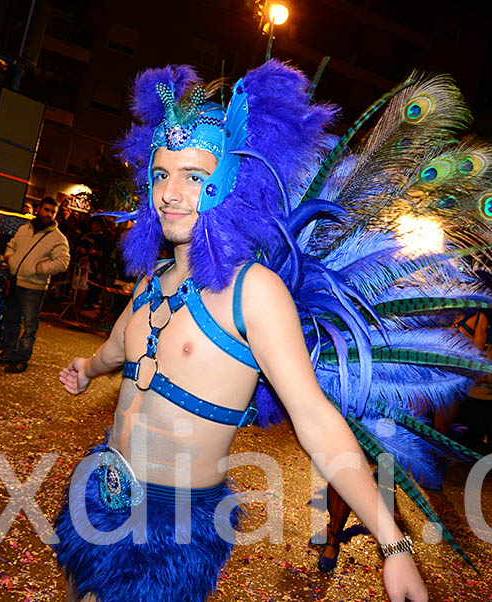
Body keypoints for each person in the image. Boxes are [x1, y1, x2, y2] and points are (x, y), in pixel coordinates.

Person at [52, 62, 426, 602]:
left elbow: (315, 418)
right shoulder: (150, 284)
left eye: (194, 176)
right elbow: (116, 350)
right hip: (98, 493)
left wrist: (393, 544)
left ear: (229, 184)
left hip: (172, 531)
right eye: (161, 175)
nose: (170, 193)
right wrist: (86, 370)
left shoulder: (255, 292)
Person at [0, 196, 69, 373]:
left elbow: (63, 262)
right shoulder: (24, 229)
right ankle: (8, 353)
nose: (48, 214)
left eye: (52, 212)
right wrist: (10, 259)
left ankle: (21, 359)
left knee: (29, 326)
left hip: (34, 287)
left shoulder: (58, 238)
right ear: (39, 209)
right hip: (16, 282)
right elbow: (11, 246)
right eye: (46, 209)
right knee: (12, 321)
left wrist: (38, 268)